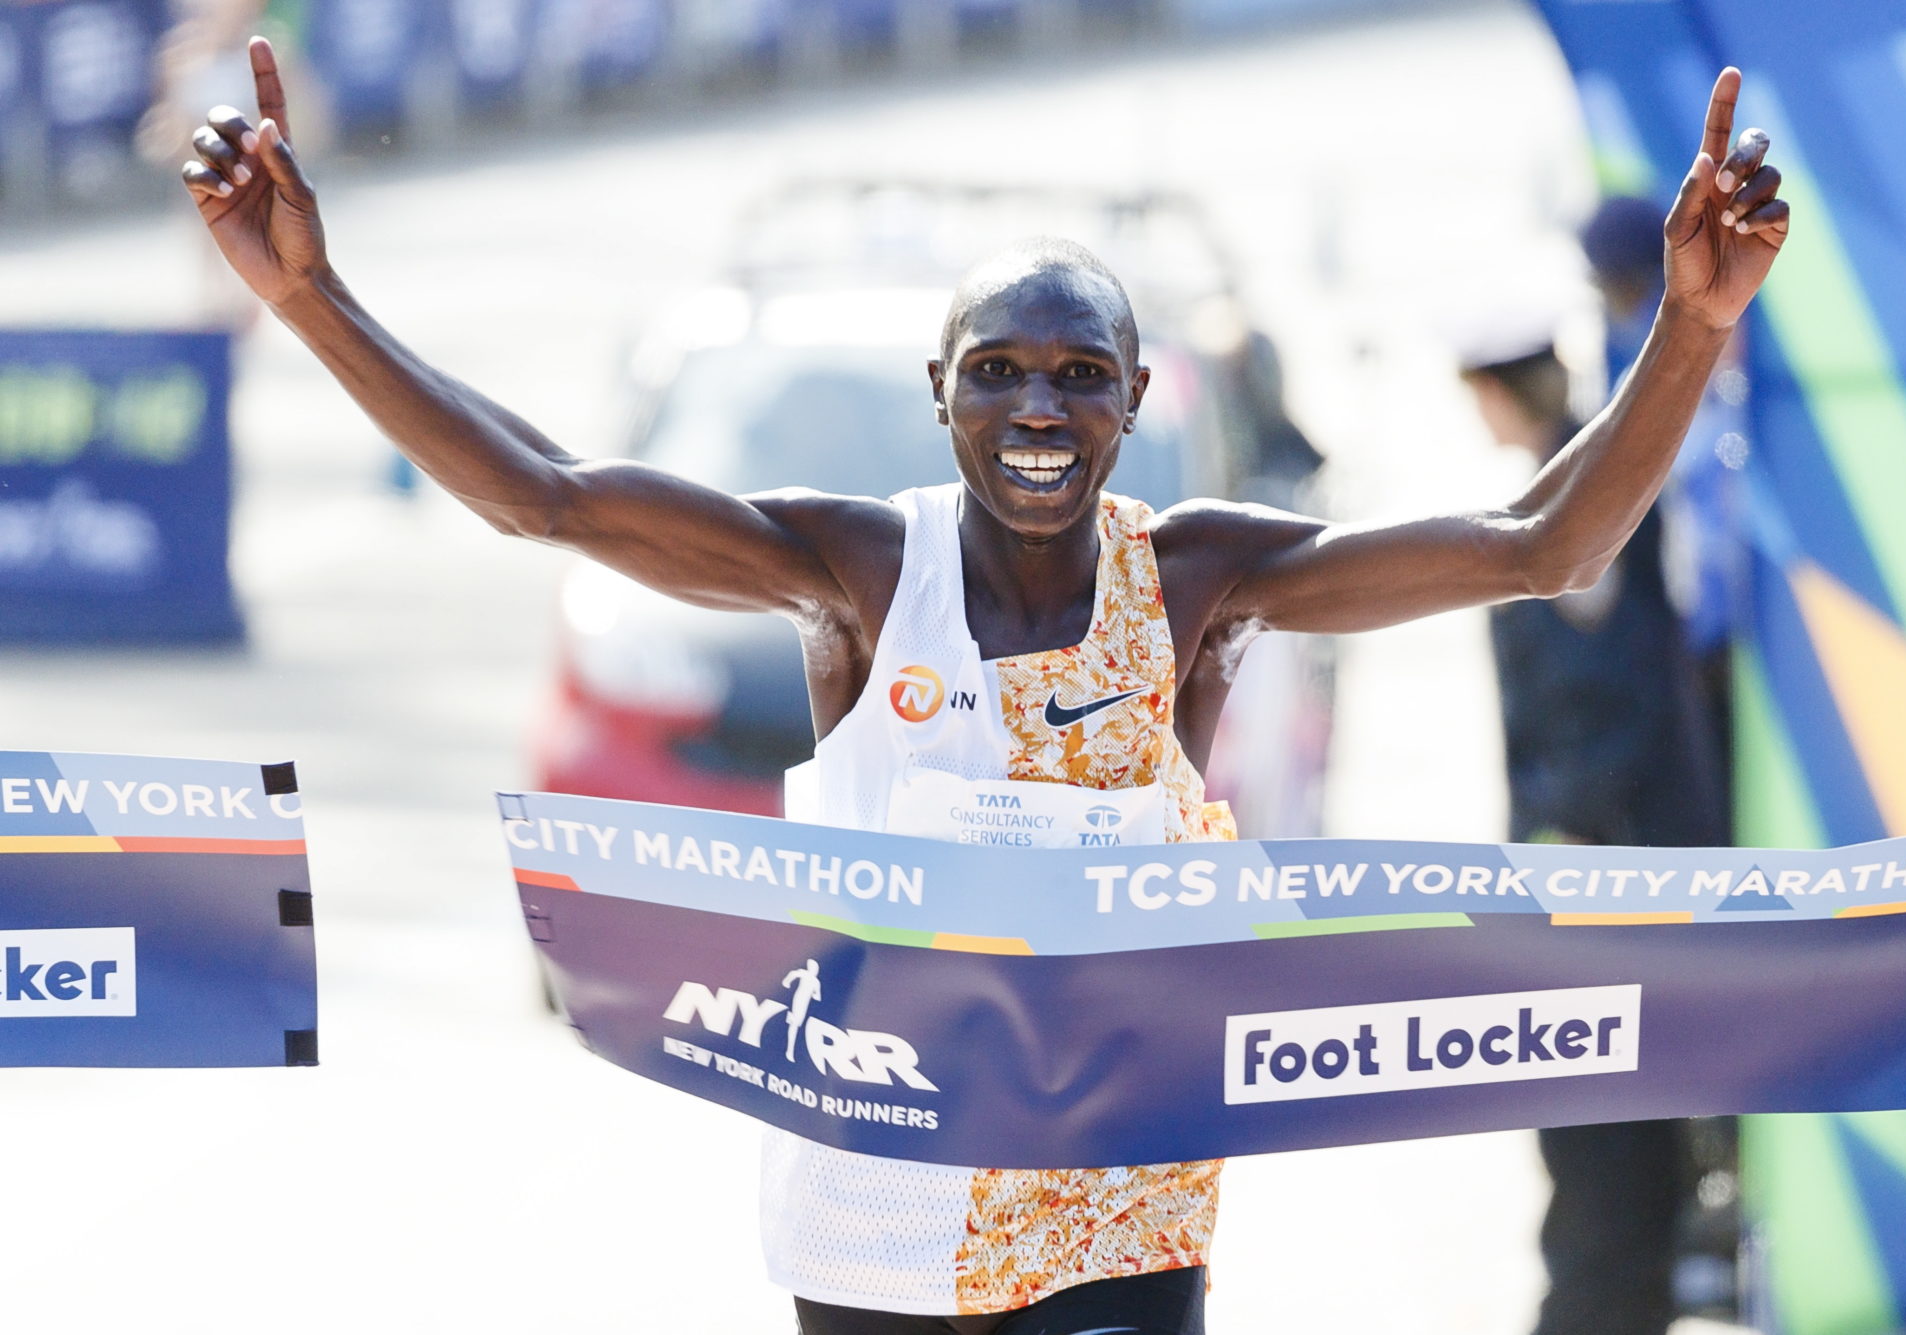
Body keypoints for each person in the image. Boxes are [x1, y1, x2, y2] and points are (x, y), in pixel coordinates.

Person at [178, 38, 1788, 1335]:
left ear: (1136, 399)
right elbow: (546, 493)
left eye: (1080, 374)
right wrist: (308, 297)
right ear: (937, 392)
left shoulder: (1202, 581)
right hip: (876, 1176)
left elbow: (1539, 541)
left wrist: (1693, 328)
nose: (1040, 405)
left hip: (1113, 1176)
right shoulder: (863, 573)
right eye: (1000, 370)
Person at [1460, 331, 1731, 1335]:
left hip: (1598, 894)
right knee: (1617, 1152)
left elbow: (1600, 697)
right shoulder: (1582, 476)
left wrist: (1566, 836)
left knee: (1601, 1156)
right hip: (1613, 877)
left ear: (1490, 388)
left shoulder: (1571, 495)